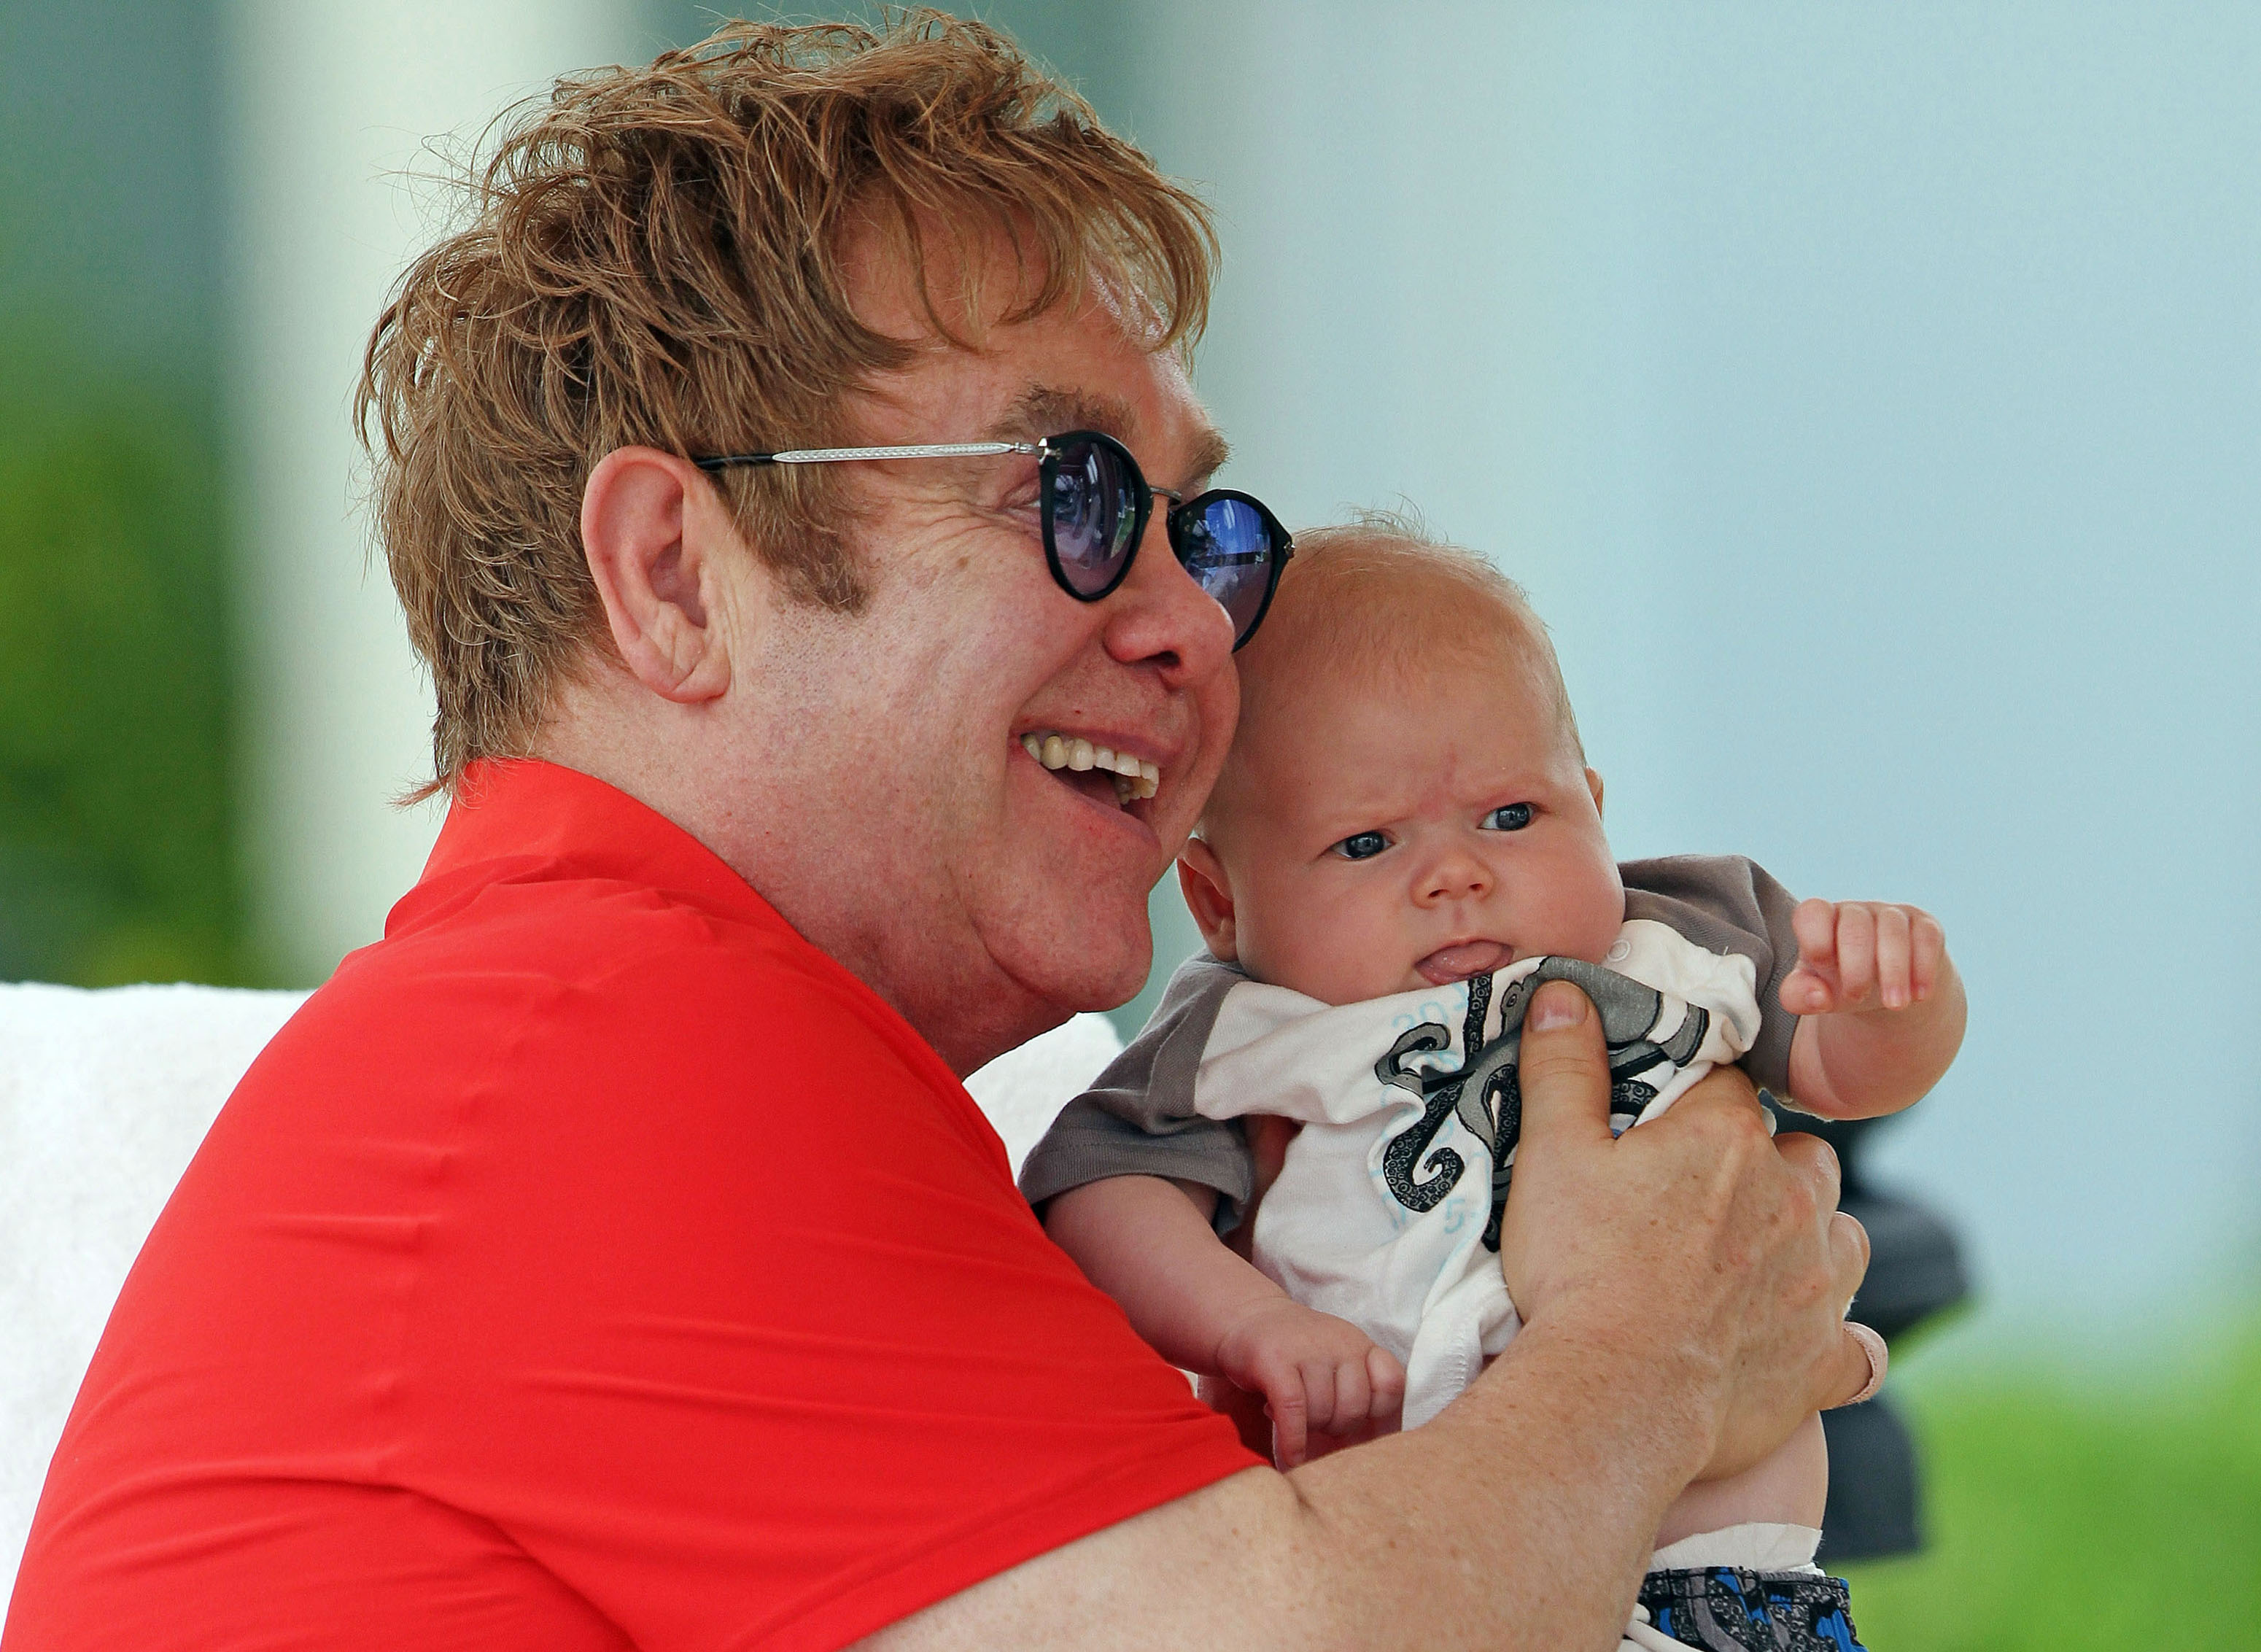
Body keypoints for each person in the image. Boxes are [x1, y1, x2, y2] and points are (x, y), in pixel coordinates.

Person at [1, 18, 1875, 1651]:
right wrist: (1641, 1348)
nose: (1188, 622)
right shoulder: (606, 1035)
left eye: (1198, 531)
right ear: (671, 576)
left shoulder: (617, 1037)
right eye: (1068, 491)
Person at [1020, 526, 1966, 1650]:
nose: (1457, 874)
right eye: (1367, 843)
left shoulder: (1680, 939)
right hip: (1459, 1574)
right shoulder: (1244, 1030)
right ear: (1221, 902)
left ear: (1597, 810)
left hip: (1750, 1594)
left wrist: (1893, 1000)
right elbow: (1096, 1192)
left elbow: (1841, 1078)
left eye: (1514, 817)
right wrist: (1250, 1326)